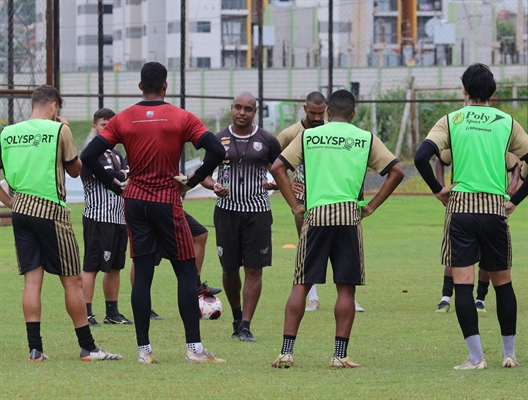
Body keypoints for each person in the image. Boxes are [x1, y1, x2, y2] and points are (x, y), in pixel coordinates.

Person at [81, 62, 226, 364]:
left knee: (143, 273)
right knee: (186, 271)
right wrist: (194, 180)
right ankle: (194, 350)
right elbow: (217, 150)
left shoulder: (123, 118)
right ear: (165, 86)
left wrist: (115, 185)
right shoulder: (181, 117)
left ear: (139, 87)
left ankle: (144, 352)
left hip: (134, 201)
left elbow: (88, 156)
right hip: (166, 199)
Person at [270, 89, 404, 369]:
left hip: (316, 215)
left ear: (328, 112)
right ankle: (339, 356)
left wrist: (296, 205)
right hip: (348, 217)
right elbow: (396, 171)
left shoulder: (308, 136)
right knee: (346, 289)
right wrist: (372, 205)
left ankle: (286, 352)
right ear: (354, 114)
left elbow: (278, 168)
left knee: (301, 284)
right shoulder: (365, 138)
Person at [414, 63, 528, 370]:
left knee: (462, 284)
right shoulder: (507, 122)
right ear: (492, 93)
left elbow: (421, 157)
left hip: (461, 210)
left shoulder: (452, 120)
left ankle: (476, 358)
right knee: (503, 282)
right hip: (494, 210)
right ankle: (509, 354)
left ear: (464, 91)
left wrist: (439, 189)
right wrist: (514, 199)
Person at [0, 85, 122, 362]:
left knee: (32, 281)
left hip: (21, 211)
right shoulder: (59, 130)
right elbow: (76, 170)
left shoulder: (7, 133)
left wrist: (12, 203)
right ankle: (88, 347)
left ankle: (35, 349)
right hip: (51, 211)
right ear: (54, 106)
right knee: (72, 282)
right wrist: (63, 129)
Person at [193, 91, 281, 342]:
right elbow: (205, 174)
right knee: (230, 269)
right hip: (227, 213)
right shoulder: (217, 139)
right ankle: (235, 316)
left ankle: (245, 325)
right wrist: (213, 186)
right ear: (231, 108)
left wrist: (274, 183)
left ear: (255, 112)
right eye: (238, 107)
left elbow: (280, 171)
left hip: (257, 213)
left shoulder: (267, 140)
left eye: (248, 109)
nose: (242, 113)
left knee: (254, 270)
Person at [277, 91, 365, 313]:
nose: (317, 118)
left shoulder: (332, 132)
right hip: (305, 200)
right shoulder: (291, 134)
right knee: (307, 253)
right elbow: (274, 163)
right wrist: (288, 183)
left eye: (320, 114)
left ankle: (348, 297)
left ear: (327, 111)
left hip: (335, 198)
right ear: (305, 109)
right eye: (312, 113)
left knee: (344, 251)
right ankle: (312, 297)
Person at [434, 150, 520, 314]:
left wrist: (513, 186)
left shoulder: (496, 141)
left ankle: (480, 299)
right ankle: (445, 298)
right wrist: (441, 187)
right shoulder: (461, 139)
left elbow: (515, 166)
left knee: (488, 259)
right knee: (455, 256)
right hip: (463, 205)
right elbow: (439, 160)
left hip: (493, 206)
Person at [81, 108, 133, 327]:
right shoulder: (91, 153)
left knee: (115, 266)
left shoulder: (116, 153)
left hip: (118, 218)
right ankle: (86, 313)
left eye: (112, 125)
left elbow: (129, 172)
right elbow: (114, 176)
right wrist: (121, 175)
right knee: (92, 266)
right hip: (98, 216)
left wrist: (122, 174)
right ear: (95, 127)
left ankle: (112, 312)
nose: (108, 128)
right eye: (104, 124)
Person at [129, 210, 222, 321]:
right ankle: (143, 307)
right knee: (146, 257)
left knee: (199, 234)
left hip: (172, 207)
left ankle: (195, 285)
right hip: (153, 207)